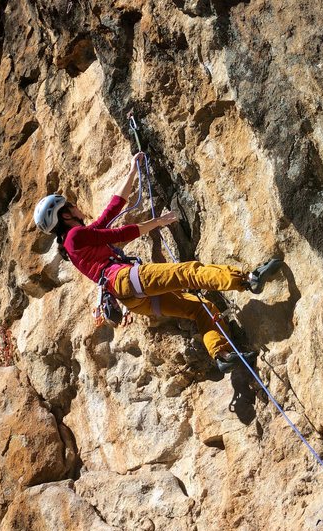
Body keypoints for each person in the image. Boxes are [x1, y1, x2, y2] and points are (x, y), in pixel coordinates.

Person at [33, 152, 282, 372]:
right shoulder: (75, 236)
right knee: (189, 272)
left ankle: (222, 354)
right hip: (124, 279)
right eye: (72, 206)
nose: (77, 207)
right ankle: (248, 279)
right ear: (65, 214)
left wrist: (132, 171)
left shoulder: (74, 240)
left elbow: (111, 210)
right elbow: (119, 234)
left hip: (131, 298)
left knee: (198, 307)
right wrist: (158, 222)